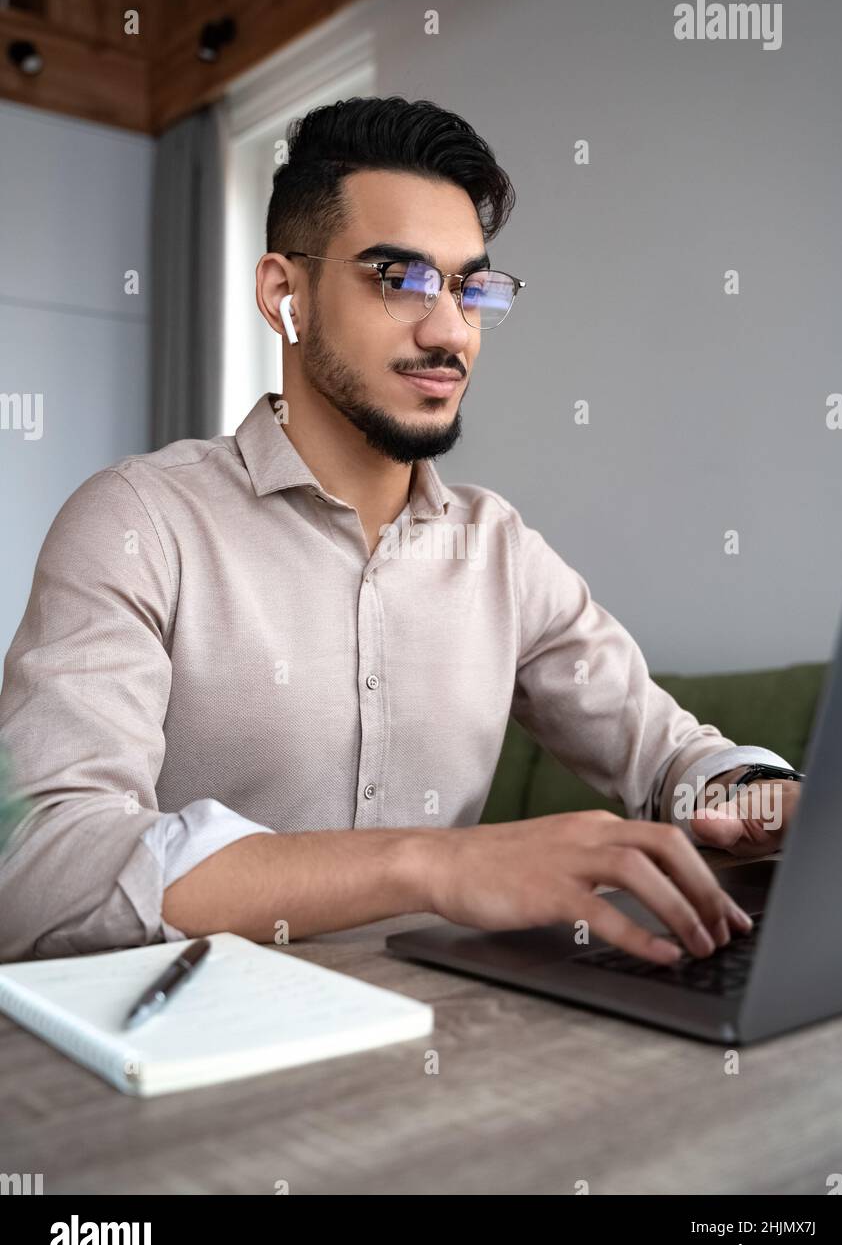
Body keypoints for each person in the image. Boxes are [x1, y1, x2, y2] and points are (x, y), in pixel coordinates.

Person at [0, 96, 801, 964]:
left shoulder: (501, 551)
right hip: (186, 1058)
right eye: (400, 279)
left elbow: (672, 760)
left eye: (470, 286)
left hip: (445, 1045)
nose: (450, 330)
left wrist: (772, 806)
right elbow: (42, 870)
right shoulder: (139, 521)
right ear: (285, 295)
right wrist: (432, 863)